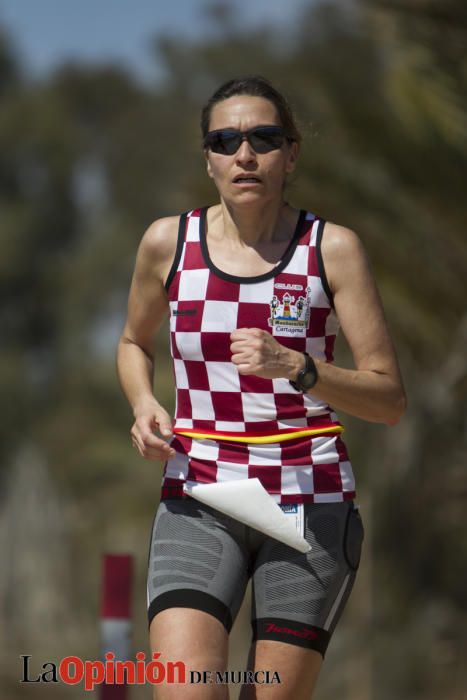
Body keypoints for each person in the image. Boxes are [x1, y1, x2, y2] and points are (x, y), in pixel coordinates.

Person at [116, 75, 406, 699]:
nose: (244, 155)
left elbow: (388, 399)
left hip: (308, 501)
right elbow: (134, 343)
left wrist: (299, 367)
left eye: (264, 138)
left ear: (291, 153)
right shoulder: (169, 243)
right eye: (226, 141)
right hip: (199, 494)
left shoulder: (333, 250)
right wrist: (144, 405)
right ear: (209, 159)